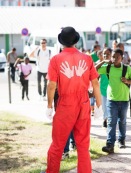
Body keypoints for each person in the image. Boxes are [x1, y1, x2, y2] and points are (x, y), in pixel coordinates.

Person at [45, 26, 101, 173]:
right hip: (83, 102)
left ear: (62, 42)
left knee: (58, 144)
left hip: (66, 103)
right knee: (83, 145)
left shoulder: (56, 59)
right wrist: (99, 106)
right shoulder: (87, 58)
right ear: (75, 41)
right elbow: (95, 83)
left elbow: (51, 85)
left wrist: (49, 106)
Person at [96, 48, 131, 153]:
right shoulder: (108, 67)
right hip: (111, 100)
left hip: (124, 99)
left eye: (117, 57)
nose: (114, 59)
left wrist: (127, 80)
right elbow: (94, 69)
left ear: (122, 58)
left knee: (122, 121)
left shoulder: (127, 69)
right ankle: (110, 145)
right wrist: (103, 61)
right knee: (111, 122)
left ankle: (121, 140)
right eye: (113, 56)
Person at [96, 48, 112, 128]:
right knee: (104, 107)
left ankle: (109, 119)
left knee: (110, 107)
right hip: (103, 90)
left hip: (113, 91)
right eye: (104, 54)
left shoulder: (115, 65)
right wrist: (103, 61)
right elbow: (95, 69)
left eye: (108, 54)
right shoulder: (102, 65)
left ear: (111, 54)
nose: (105, 55)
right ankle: (105, 119)